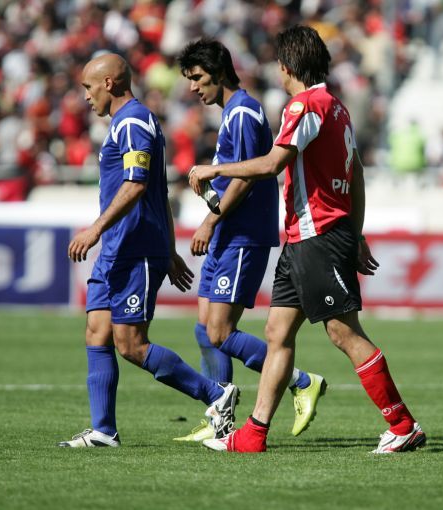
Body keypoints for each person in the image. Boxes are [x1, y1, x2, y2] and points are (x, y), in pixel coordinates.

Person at [189, 25, 426, 454]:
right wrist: (356, 232)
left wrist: (215, 169)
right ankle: (253, 434)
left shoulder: (305, 105)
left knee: (343, 332)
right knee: (277, 332)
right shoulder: (337, 108)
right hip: (306, 238)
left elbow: (271, 165)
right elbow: (356, 177)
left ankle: (402, 423)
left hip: (318, 236)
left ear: (286, 66)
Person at [59, 53, 239, 447]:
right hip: (119, 245)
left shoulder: (134, 121)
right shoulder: (125, 123)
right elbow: (158, 191)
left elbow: (138, 184)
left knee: (131, 344)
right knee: (97, 331)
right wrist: (169, 248)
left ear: (109, 83)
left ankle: (215, 394)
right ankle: (104, 430)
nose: (86, 96)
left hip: (134, 246)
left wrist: (96, 229)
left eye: (88, 87)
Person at [172, 38, 326, 442]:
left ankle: (301, 380)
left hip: (242, 235)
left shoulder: (242, 112)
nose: (193, 87)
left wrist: (209, 221)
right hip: (229, 232)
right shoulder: (233, 113)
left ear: (220, 73)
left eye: (198, 77)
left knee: (220, 331)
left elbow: (246, 177)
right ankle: (219, 417)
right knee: (205, 328)